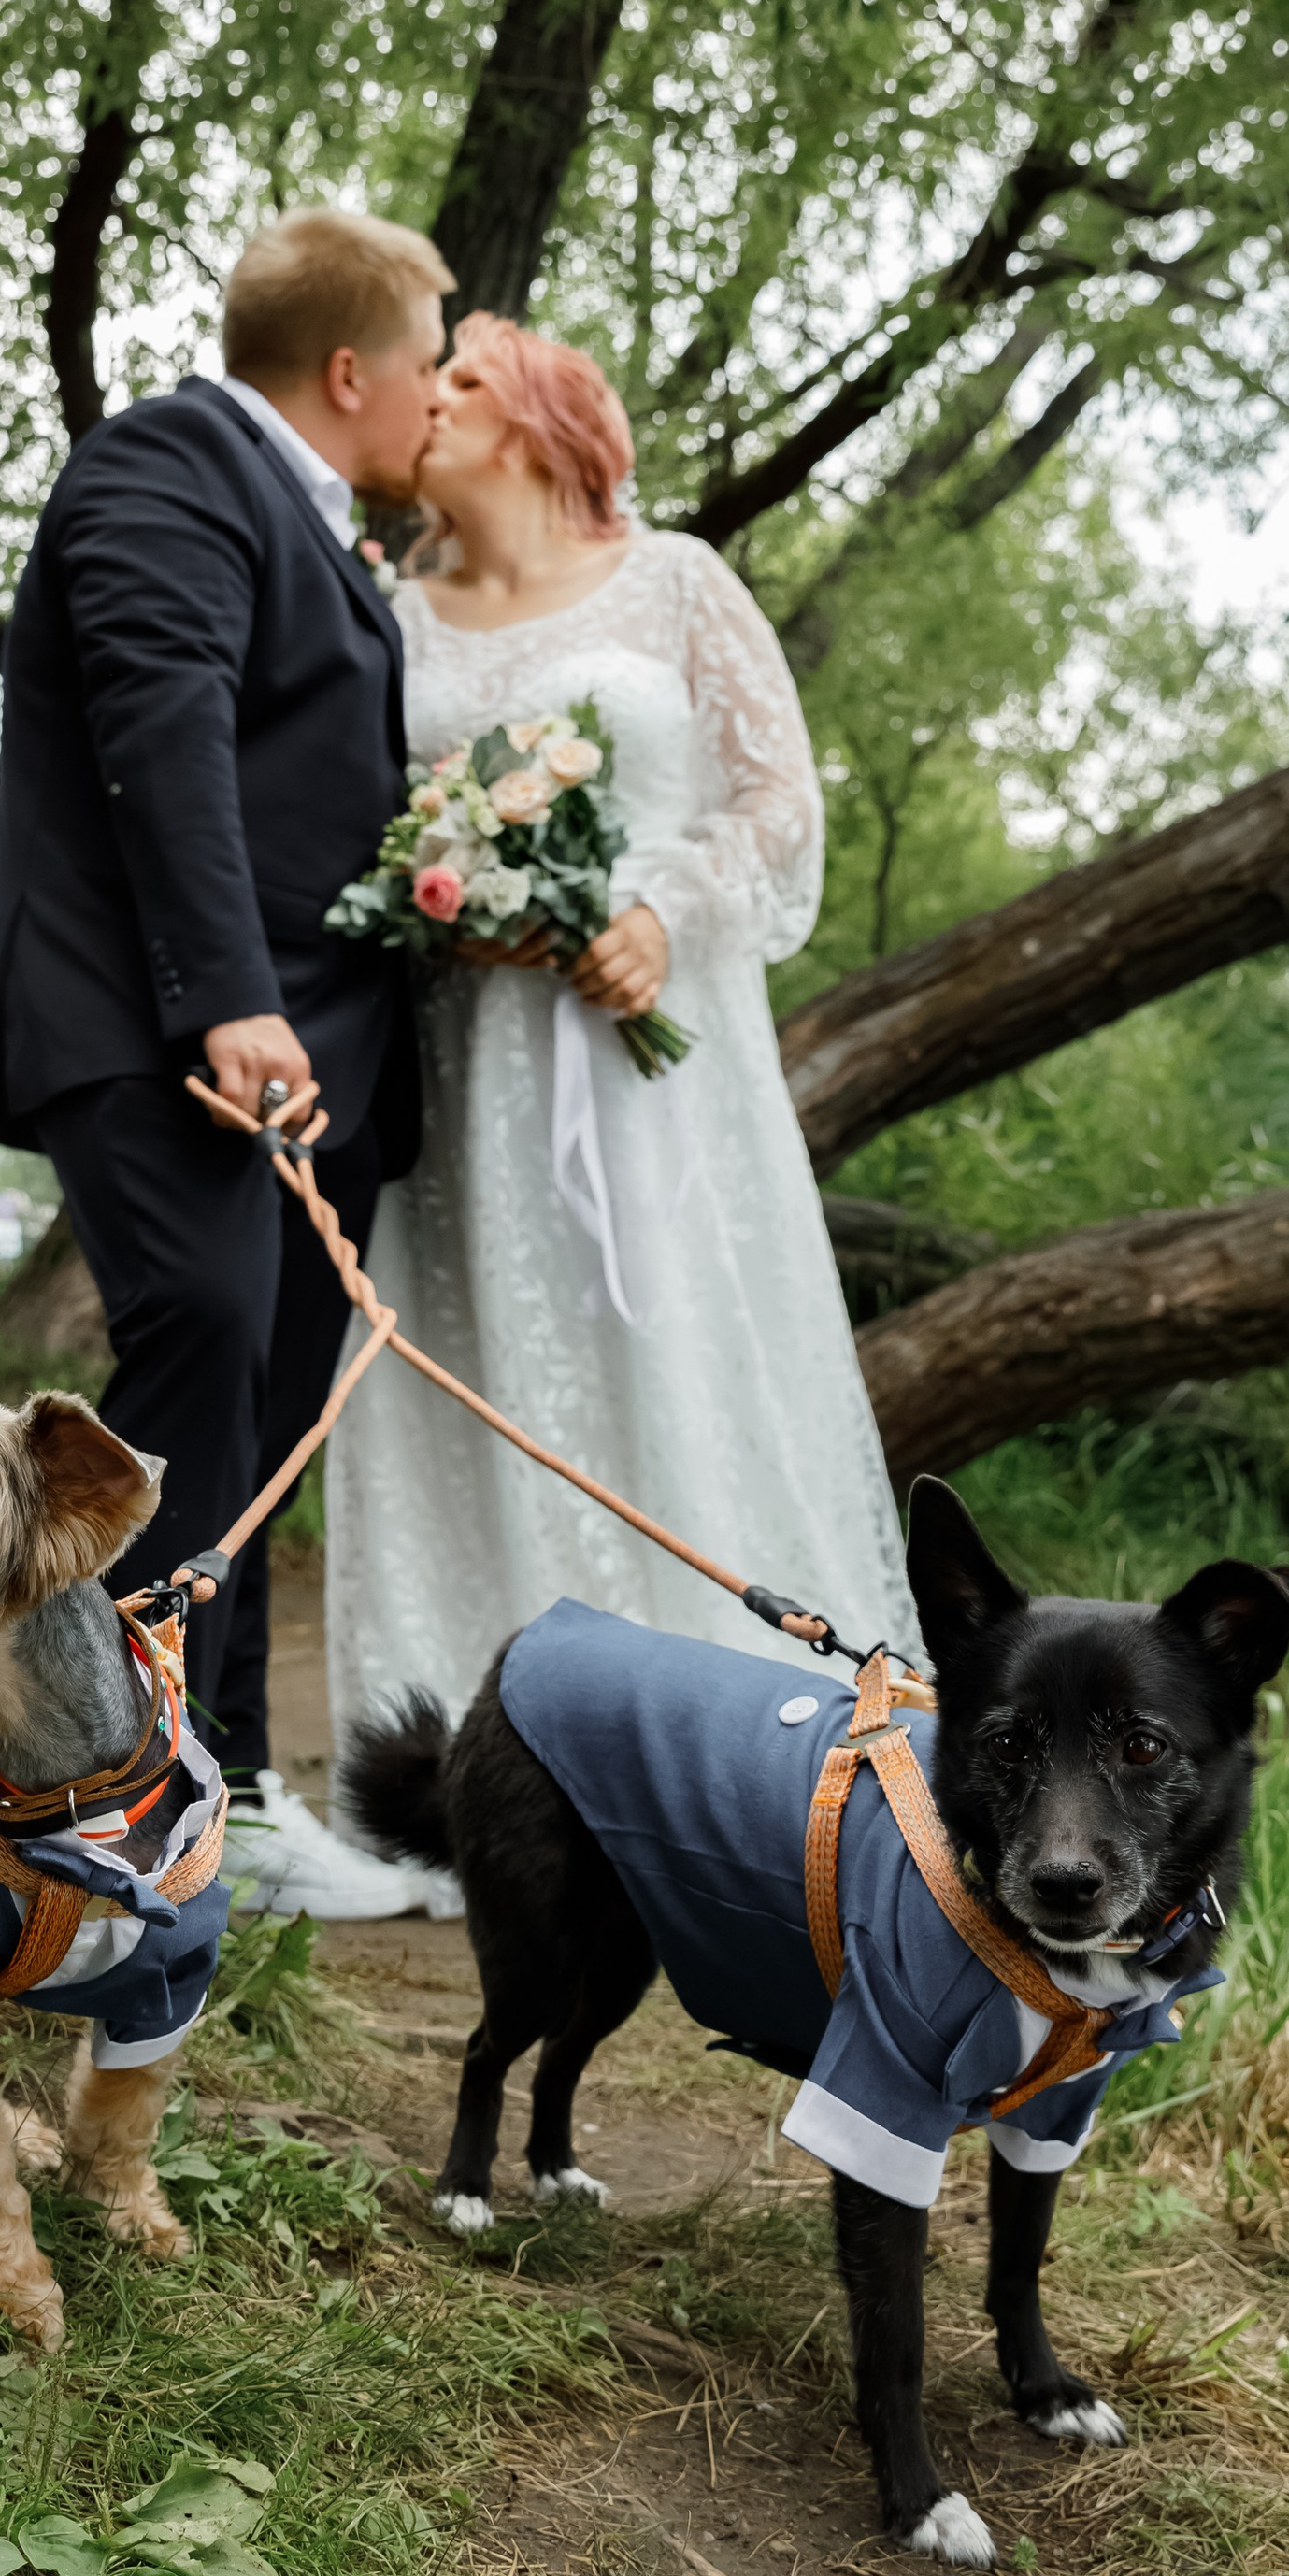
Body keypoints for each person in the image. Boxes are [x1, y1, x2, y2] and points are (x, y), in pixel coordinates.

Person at [325, 314, 917, 1767]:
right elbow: (356, 833)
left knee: (684, 1356)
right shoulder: (388, 615)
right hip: (468, 1081)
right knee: (483, 1369)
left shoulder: (675, 582)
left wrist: (656, 911)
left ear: (534, 419)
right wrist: (450, 908)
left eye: (459, 380)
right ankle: (495, 1766)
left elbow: (779, 802)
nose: (427, 403)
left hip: (659, 1059)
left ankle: (753, 1752)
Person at [0, 208, 452, 1911]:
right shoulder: (171, 460)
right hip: (174, 1028)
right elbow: (159, 715)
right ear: (347, 370)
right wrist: (230, 996)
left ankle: (218, 1789)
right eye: (432, 363)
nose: (442, 398)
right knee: (198, 1363)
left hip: (311, 1066)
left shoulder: (330, 535)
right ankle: (109, 1797)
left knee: (263, 1397)